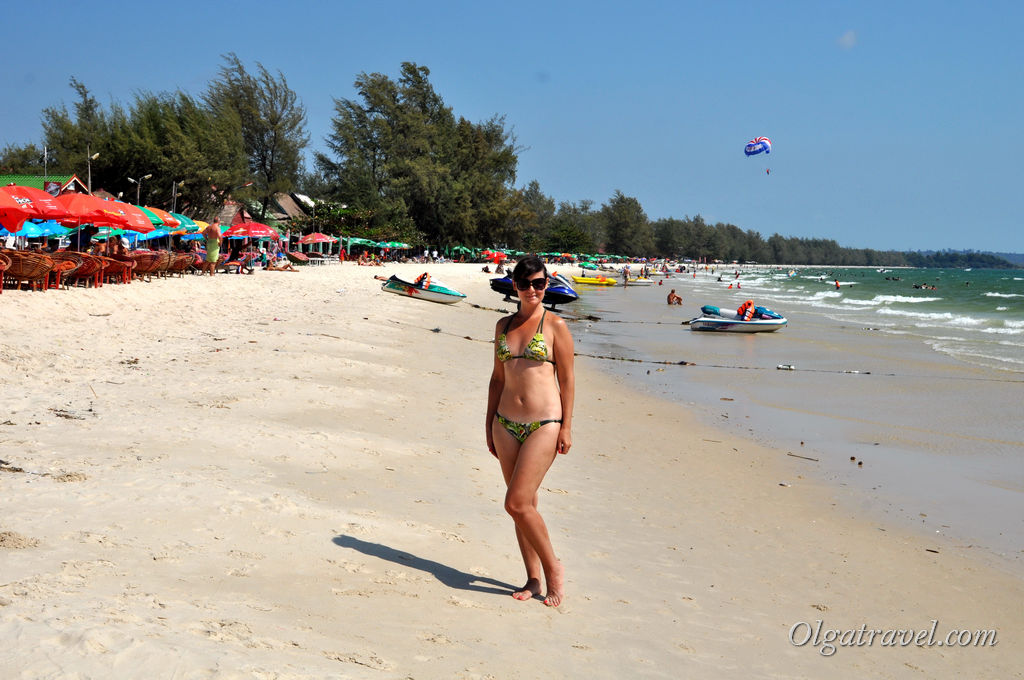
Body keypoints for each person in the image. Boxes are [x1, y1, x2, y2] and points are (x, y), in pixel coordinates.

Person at [486, 256, 574, 607]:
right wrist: (488, 423)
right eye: (525, 284)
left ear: (547, 284)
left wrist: (567, 426)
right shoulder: (502, 326)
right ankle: (533, 578)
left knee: (516, 502)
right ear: (515, 287)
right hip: (504, 423)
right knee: (524, 505)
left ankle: (553, 570)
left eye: (539, 283)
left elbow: (566, 379)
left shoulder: (555, 326)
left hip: (545, 423)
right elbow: (497, 378)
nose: (532, 290)